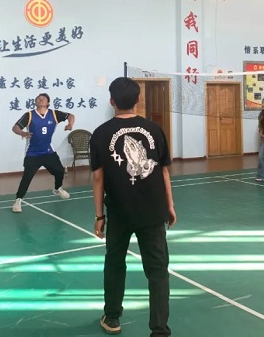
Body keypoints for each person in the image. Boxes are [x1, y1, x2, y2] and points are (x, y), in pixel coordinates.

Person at [90, 77, 176, 336]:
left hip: (119, 213)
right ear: (138, 100)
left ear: (112, 101)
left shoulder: (100, 133)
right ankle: (159, 330)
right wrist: (170, 205)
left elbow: (98, 178)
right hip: (153, 211)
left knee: (115, 264)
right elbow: (164, 172)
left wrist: (99, 216)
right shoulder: (155, 129)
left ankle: (112, 317)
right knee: (157, 271)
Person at [11, 93, 75, 212]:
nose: (41, 99)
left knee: (60, 171)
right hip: (33, 153)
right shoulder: (29, 115)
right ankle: (18, 200)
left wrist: (70, 124)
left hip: (48, 151)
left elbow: (71, 115)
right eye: (39, 98)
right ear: (35, 102)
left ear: (48, 103)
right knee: (27, 177)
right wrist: (22, 133)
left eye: (44, 98)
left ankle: (57, 189)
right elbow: (15, 127)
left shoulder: (54, 114)